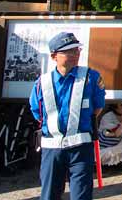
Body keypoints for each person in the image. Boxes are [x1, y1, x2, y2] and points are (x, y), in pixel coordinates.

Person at [29, 32, 106, 200]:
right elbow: (37, 112)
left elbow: (98, 106)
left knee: (81, 195)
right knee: (49, 194)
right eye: (69, 52)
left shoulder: (91, 77)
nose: (75, 55)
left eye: (76, 50)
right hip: (51, 147)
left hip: (81, 147)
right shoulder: (42, 82)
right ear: (54, 56)